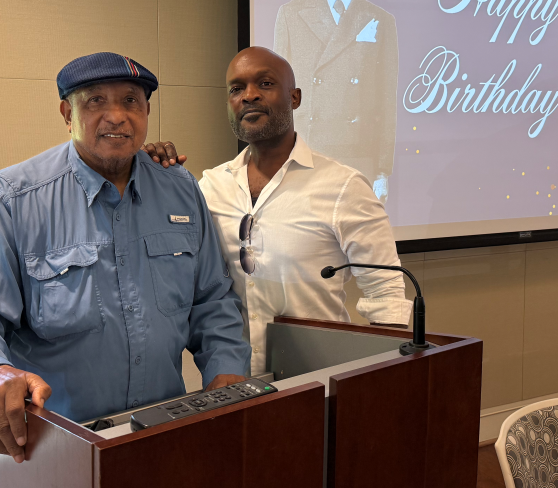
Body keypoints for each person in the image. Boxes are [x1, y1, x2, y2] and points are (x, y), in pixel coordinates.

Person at [0, 52, 249, 463]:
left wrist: (227, 372)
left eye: (131, 101)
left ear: (146, 111)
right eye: (95, 101)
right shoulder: (14, 198)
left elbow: (213, 300)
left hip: (163, 434)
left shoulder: (180, 189)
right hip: (54, 449)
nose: (116, 116)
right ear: (66, 112)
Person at [147, 46, 410, 375]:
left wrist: (388, 381)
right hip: (232, 383)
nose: (249, 96)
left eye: (266, 84)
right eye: (236, 89)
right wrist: (149, 171)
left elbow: (385, 293)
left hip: (317, 384)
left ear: (295, 97)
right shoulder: (211, 187)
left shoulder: (344, 187)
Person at [273, 0, 398, 201]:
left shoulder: (382, 22)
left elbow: (386, 102)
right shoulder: (291, 15)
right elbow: (277, 100)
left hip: (359, 164)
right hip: (304, 162)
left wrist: (382, 171)